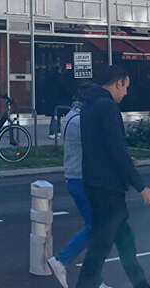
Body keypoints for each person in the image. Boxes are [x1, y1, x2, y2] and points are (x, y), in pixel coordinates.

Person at [76, 64, 150, 288]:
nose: (126, 92)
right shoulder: (107, 107)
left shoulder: (89, 105)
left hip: (96, 183)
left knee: (126, 248)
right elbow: (117, 149)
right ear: (118, 82)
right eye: (126, 86)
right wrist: (141, 187)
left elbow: (100, 146)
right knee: (99, 252)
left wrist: (123, 161)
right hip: (109, 190)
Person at [48, 88, 105, 288]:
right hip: (83, 180)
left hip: (75, 178)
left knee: (96, 229)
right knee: (96, 228)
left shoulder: (70, 118)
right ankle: (61, 260)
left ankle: (96, 281)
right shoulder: (80, 122)